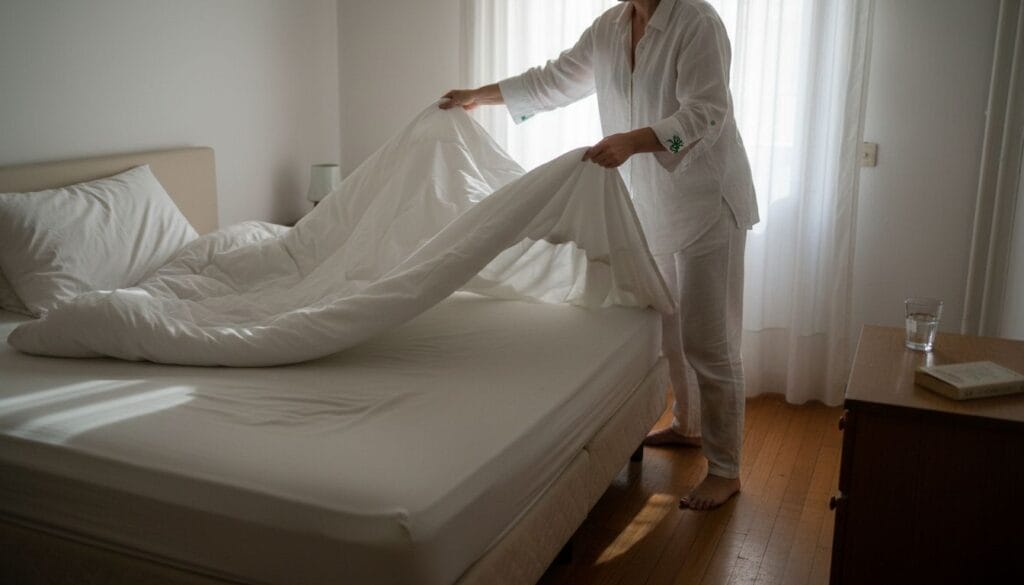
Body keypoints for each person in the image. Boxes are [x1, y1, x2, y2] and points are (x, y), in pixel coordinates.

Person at [440, 0, 757, 510]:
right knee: (671, 328)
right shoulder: (610, 26)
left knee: (710, 340)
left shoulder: (696, 21)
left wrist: (632, 141)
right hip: (654, 203)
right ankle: (689, 427)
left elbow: (707, 111)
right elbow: (554, 80)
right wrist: (479, 96)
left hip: (708, 200)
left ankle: (726, 470)